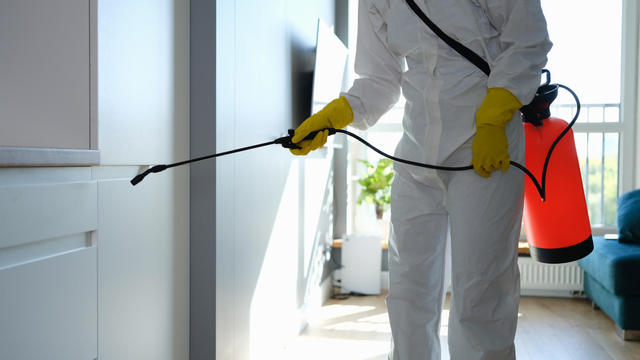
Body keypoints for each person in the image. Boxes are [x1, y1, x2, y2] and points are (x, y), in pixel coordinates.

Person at [291, 0, 551, 358]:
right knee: (408, 290)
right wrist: (335, 114)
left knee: (481, 292)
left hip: (484, 148)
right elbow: (380, 80)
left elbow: (528, 40)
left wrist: (493, 117)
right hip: (415, 153)